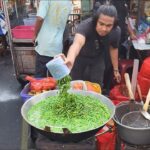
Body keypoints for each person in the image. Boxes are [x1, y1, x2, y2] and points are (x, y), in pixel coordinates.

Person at [60, 4, 121, 88]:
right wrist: (70, 59)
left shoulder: (116, 31)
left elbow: (113, 48)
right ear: (96, 20)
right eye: (101, 24)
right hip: (79, 57)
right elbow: (77, 44)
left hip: (97, 57)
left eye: (108, 25)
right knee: (75, 83)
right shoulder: (86, 26)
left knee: (97, 85)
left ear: (113, 24)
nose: (104, 29)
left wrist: (116, 70)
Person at [33, 0, 72, 77]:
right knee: (55, 78)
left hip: (44, 46)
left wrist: (35, 35)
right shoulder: (68, 2)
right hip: (58, 47)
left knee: (40, 78)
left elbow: (40, 18)